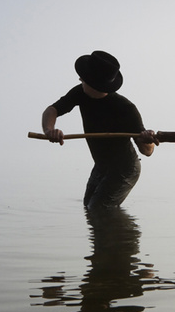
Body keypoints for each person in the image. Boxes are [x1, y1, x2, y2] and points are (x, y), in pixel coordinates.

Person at [41, 50, 158, 210]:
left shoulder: (125, 108)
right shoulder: (80, 92)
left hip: (125, 168)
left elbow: (147, 151)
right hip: (102, 165)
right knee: (87, 206)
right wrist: (49, 130)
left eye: (84, 77)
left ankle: (124, 234)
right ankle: (114, 233)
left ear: (95, 83)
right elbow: (52, 110)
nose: (80, 78)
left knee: (98, 209)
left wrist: (147, 139)